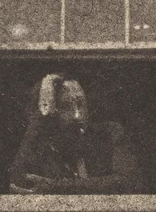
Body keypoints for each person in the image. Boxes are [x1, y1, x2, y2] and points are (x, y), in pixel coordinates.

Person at [8, 74, 142, 194]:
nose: (78, 115)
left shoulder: (110, 133)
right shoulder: (40, 144)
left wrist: (57, 187)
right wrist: (42, 113)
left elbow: (128, 182)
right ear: (51, 114)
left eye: (81, 104)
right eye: (66, 106)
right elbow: (18, 183)